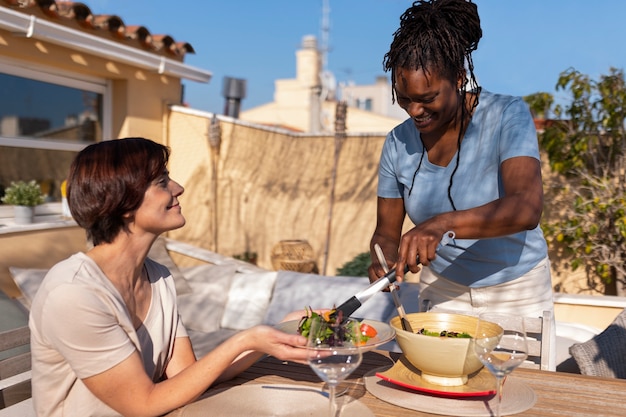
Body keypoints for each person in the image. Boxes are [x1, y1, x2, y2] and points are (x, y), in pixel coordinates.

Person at [29, 138, 310, 417]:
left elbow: (188, 377)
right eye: (162, 182)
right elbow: (143, 404)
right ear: (123, 203)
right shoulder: (74, 293)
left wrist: (279, 329)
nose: (178, 188)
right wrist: (245, 340)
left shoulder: (156, 276)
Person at [368, 0, 556, 369]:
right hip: (442, 295)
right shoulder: (396, 143)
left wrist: (440, 224)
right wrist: (384, 258)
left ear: (457, 79)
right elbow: (384, 233)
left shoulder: (506, 114)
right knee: (437, 390)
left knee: (519, 396)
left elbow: (526, 207)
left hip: (516, 292)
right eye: (404, 99)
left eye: (426, 99)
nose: (414, 111)